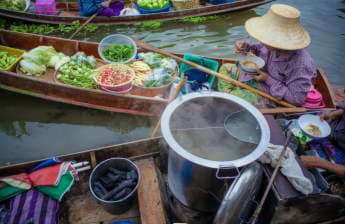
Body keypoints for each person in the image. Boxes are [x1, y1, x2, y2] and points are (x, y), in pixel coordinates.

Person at [235, 4, 317, 106]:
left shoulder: (301, 64)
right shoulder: (271, 44)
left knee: (235, 98)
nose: (262, 40)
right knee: (225, 68)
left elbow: (296, 99)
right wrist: (245, 47)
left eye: (266, 38)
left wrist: (267, 79)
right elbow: (259, 48)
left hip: (272, 96)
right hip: (258, 79)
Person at [301, 103, 345, 172]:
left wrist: (320, 163)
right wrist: (331, 115)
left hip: (340, 155)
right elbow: (343, 109)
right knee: (300, 133)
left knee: (314, 169)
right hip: (329, 135)